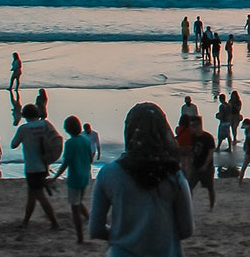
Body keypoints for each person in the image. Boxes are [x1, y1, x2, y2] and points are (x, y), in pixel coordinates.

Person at [87, 102, 194, 256]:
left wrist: (122, 234)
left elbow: (95, 229)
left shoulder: (108, 174)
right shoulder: (174, 176)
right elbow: (186, 230)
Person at [11, 104, 60, 229]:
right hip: (44, 165)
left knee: (39, 196)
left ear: (24, 115)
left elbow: (13, 144)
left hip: (32, 167)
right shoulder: (45, 125)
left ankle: (55, 223)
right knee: (32, 195)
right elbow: (57, 139)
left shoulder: (24, 128)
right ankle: (25, 221)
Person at [49, 115, 94, 243]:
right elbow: (90, 159)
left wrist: (55, 177)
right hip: (85, 177)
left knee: (75, 208)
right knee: (78, 202)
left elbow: (65, 163)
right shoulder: (86, 140)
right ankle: (90, 218)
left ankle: (80, 238)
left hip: (74, 179)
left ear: (68, 129)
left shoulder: (69, 143)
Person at [184, 115, 216, 210]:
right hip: (195, 166)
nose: (191, 128)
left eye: (193, 125)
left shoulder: (208, 138)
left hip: (207, 167)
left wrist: (206, 165)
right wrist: (188, 164)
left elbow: (211, 154)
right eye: (191, 125)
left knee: (210, 188)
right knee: (189, 186)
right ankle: (189, 206)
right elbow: (191, 151)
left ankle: (211, 206)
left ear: (199, 125)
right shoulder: (193, 137)